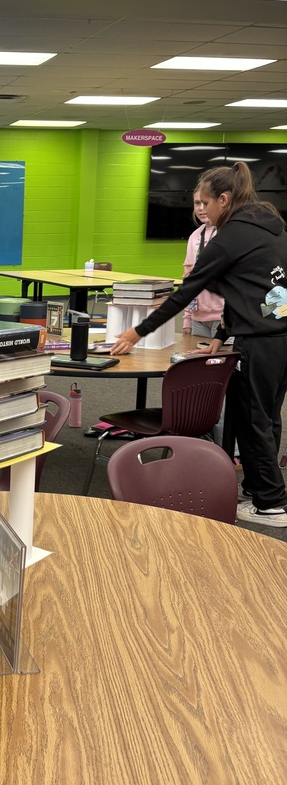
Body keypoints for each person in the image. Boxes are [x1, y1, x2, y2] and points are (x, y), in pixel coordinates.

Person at [111, 162, 287, 527]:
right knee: (266, 417)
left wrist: (136, 332)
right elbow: (259, 292)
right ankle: (259, 489)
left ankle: (271, 503)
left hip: (262, 342)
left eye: (205, 202)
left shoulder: (228, 237)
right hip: (280, 336)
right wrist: (223, 336)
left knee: (253, 419)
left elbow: (184, 294)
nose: (200, 210)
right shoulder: (271, 226)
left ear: (224, 199)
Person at [183, 189, 223, 338]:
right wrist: (187, 318)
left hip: (222, 316)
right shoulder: (194, 236)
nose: (201, 208)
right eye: (197, 203)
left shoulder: (226, 233)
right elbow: (188, 280)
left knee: (222, 360)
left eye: (205, 203)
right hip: (197, 318)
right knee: (197, 360)